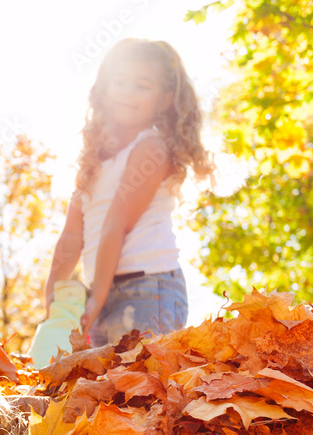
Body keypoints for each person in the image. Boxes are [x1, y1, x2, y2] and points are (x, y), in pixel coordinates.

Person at [44, 39, 214, 347]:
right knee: (102, 390)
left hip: (149, 287)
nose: (127, 91)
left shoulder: (152, 148)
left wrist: (97, 296)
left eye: (142, 85)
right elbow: (71, 235)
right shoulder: (94, 162)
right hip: (102, 288)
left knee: (138, 386)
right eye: (119, 81)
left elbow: (116, 223)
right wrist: (52, 291)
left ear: (164, 100)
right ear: (104, 90)